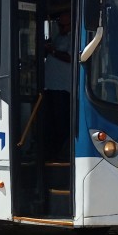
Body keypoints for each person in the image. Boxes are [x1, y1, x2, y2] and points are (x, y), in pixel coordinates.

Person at [43, 11, 72, 160]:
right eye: (58, 24)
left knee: (61, 123)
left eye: (62, 25)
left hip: (63, 88)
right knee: (50, 123)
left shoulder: (72, 38)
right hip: (50, 87)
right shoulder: (57, 37)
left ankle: (62, 153)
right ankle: (51, 152)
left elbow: (70, 57)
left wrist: (52, 51)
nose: (60, 27)